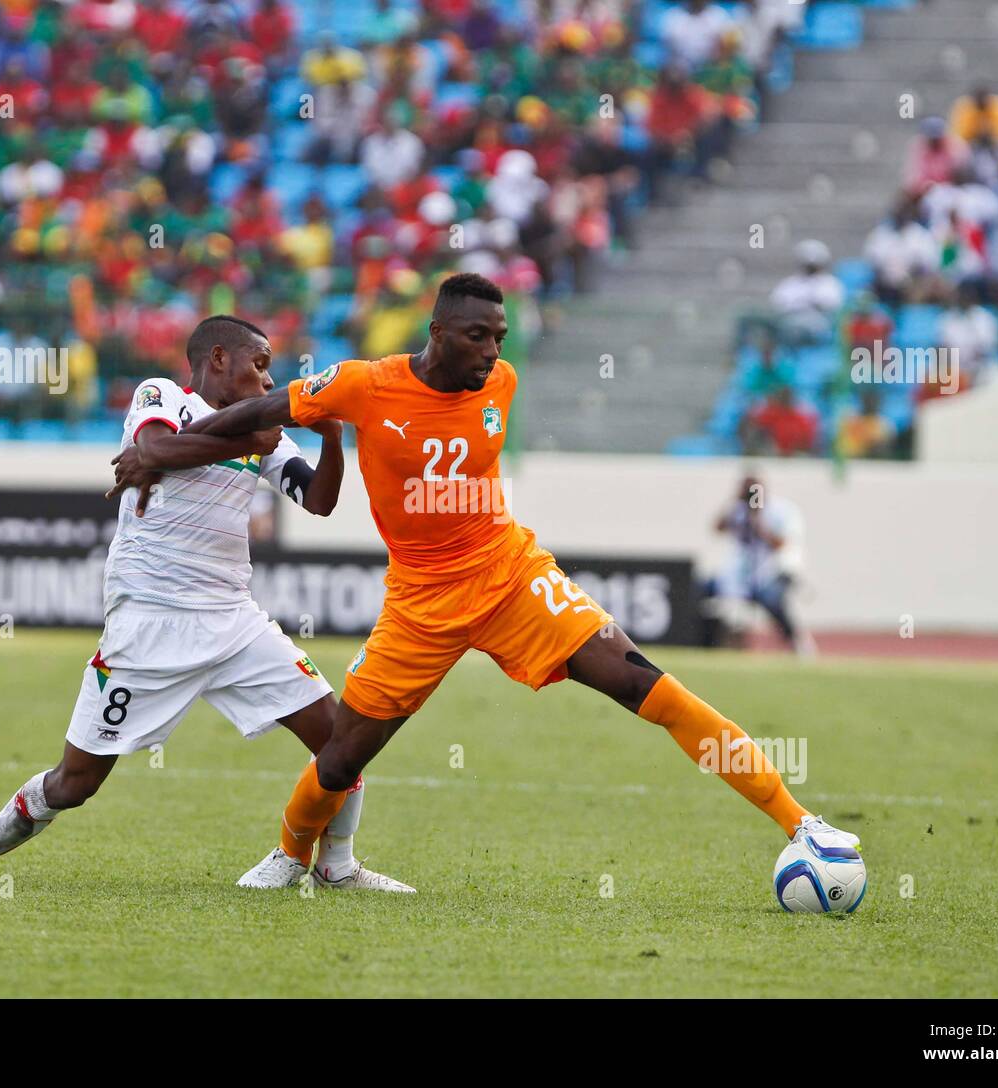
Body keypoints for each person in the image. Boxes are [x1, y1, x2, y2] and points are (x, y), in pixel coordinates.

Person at [109, 274, 862, 890]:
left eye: (500, 336)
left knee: (643, 682)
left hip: (510, 575)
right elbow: (263, 408)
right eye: (478, 335)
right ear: (437, 333)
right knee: (341, 756)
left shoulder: (501, 381)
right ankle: (291, 855)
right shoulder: (365, 384)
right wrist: (159, 453)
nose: (493, 350)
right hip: (419, 601)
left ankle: (801, 823)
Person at [0, 316, 413, 893]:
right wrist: (242, 442)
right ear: (218, 358)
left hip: (233, 619)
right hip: (148, 620)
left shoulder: (265, 432)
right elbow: (156, 448)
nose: (269, 381)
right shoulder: (162, 395)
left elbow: (318, 500)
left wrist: (333, 438)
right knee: (75, 783)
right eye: (259, 364)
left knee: (342, 744)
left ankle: (336, 865)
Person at [703, 472, 814, 654]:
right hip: (740, 572)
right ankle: (701, 638)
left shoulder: (781, 510)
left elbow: (783, 544)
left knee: (771, 599)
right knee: (701, 588)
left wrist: (758, 520)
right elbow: (717, 528)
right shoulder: (738, 510)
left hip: (774, 570)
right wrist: (733, 501)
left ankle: (796, 640)